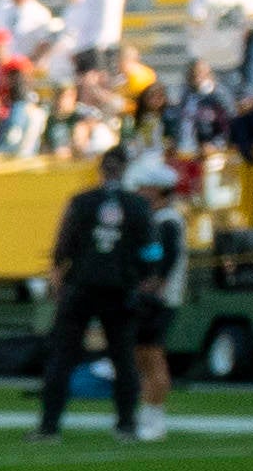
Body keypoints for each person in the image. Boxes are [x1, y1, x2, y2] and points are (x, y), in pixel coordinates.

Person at [26, 147, 179, 437]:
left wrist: (58, 273)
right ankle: (126, 424)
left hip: (81, 285)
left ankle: (49, 427)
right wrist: (146, 275)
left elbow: (64, 241)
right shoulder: (137, 206)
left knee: (63, 357)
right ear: (124, 171)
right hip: (119, 288)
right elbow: (151, 249)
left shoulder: (82, 201)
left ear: (101, 170)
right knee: (123, 358)